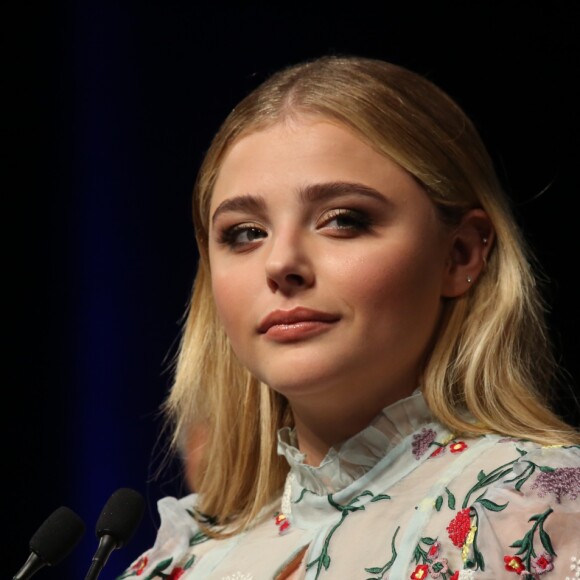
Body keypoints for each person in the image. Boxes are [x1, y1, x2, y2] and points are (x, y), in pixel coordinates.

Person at [118, 55, 580, 579]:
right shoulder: (180, 559)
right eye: (245, 232)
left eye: (343, 220)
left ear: (460, 255)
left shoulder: (536, 508)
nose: (281, 263)